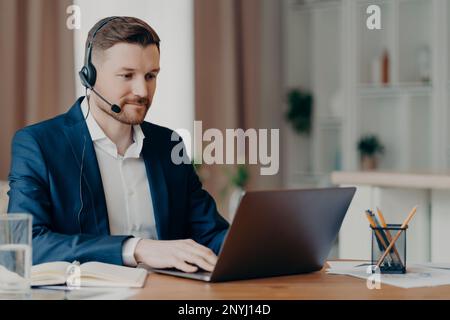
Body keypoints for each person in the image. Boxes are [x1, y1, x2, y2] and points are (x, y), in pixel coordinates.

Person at [7, 16, 229, 273]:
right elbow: (25, 244)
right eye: (127, 75)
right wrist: (136, 248)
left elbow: (211, 233)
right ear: (89, 76)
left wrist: (268, 245)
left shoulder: (169, 145)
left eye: (150, 76)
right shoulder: (38, 144)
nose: (143, 91)